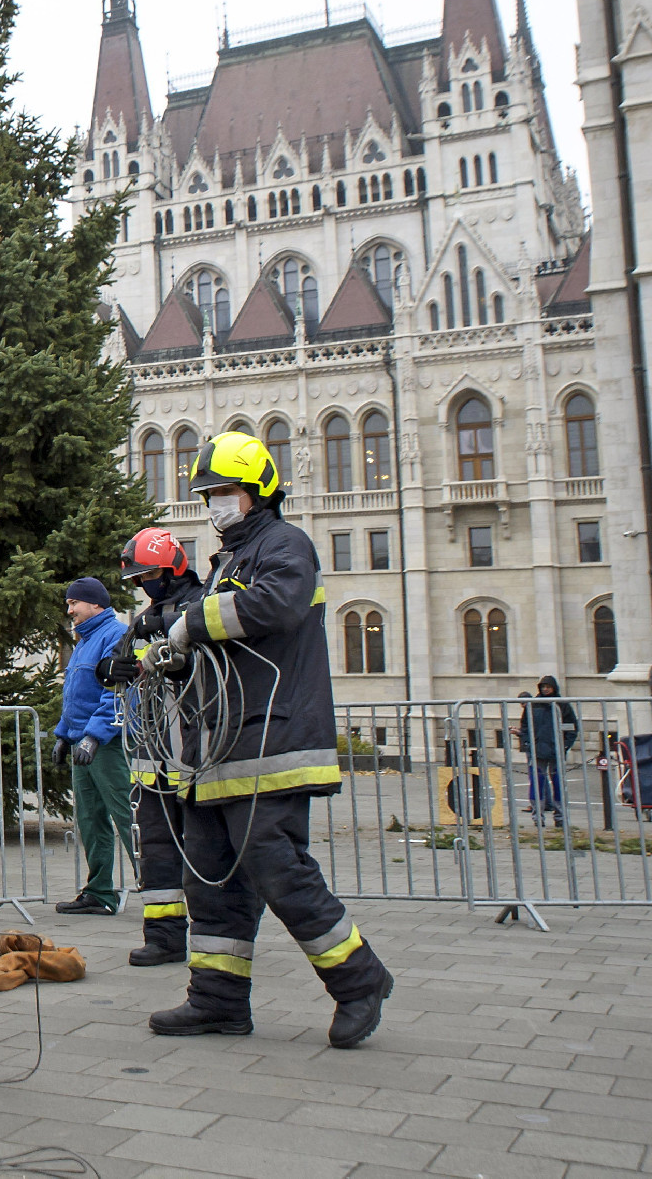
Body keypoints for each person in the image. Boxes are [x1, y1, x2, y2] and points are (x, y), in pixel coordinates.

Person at [148, 430, 394, 1050]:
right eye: (207, 493)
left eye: (224, 491)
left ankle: (359, 978)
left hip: (274, 743)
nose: (213, 504)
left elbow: (276, 607)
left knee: (276, 868)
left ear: (258, 490)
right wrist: (169, 659)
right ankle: (217, 999)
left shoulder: (286, 546)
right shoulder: (227, 559)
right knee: (210, 876)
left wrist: (191, 622)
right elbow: (219, 649)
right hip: (221, 749)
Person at [113, 526, 206, 966]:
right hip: (153, 751)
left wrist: (166, 627)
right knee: (156, 846)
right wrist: (115, 669)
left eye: (146, 575)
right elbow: (127, 656)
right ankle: (164, 936)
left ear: (171, 569)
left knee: (205, 847)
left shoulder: (198, 603)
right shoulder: (147, 615)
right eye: (137, 579)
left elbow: (205, 656)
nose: (142, 585)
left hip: (195, 750)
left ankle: (213, 935)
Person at [53, 577, 133, 917]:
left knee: (128, 819)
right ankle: (100, 893)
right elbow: (77, 696)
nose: (70, 610)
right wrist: (63, 735)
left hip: (106, 747)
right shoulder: (85, 640)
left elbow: (117, 693)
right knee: (90, 820)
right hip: (82, 745)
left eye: (75, 604)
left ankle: (168, 892)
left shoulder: (115, 635)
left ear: (96, 604)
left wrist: (94, 736)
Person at [515, 675, 579, 827]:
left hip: (556, 750)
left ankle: (560, 818)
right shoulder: (533, 705)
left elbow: (571, 727)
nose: (545, 689)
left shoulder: (562, 705)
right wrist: (528, 743)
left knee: (558, 784)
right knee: (537, 784)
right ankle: (538, 817)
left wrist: (565, 745)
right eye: (543, 687)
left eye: (547, 687)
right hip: (538, 751)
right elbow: (525, 726)